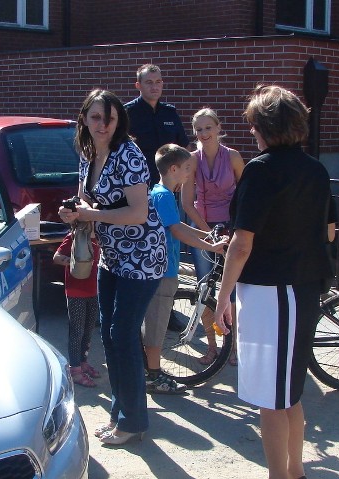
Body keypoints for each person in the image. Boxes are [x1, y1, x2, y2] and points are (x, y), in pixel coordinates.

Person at [213, 85, 332, 479]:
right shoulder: (315, 169)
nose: (251, 131)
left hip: (273, 292)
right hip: (300, 288)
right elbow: (325, 232)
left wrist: (222, 294)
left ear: (265, 127)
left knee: (272, 399)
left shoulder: (261, 170)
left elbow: (243, 243)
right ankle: (294, 472)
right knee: (288, 394)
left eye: (254, 125)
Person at [59, 89, 167, 446]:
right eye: (95, 117)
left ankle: (133, 421)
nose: (102, 125)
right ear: (84, 119)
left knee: (122, 335)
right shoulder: (88, 154)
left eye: (109, 118)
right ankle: (121, 416)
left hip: (143, 256)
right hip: (112, 255)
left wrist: (90, 214)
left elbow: (137, 212)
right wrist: (74, 211)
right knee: (110, 334)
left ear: (119, 121)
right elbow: (86, 198)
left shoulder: (129, 154)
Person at [142, 144, 228, 394]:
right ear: (173, 168)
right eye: (187, 169)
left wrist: (209, 238)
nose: (190, 174)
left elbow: (176, 225)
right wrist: (208, 244)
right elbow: (177, 230)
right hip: (163, 269)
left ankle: (151, 371)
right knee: (157, 324)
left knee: (155, 322)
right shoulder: (165, 195)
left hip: (162, 267)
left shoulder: (159, 192)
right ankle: (154, 376)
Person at [180, 108, 245, 365]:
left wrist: (236, 229)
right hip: (204, 228)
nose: (204, 133)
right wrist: (207, 233)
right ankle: (211, 346)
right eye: (199, 129)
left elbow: (246, 194)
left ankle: (235, 347)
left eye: (208, 128)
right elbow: (186, 203)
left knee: (232, 291)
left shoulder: (234, 157)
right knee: (204, 288)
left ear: (218, 128)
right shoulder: (191, 159)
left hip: (231, 227)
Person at [124, 64, 191, 187]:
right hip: (138, 185)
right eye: (149, 82)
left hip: (169, 185)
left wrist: (180, 178)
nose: (154, 87)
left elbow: (184, 147)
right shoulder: (127, 113)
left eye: (158, 82)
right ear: (138, 85)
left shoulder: (170, 113)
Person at [53, 229, 102, 387]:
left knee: (88, 329)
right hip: (76, 291)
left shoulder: (101, 236)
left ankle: (82, 362)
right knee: (77, 331)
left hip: (94, 290)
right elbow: (57, 258)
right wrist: (76, 262)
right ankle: (75, 369)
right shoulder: (75, 236)